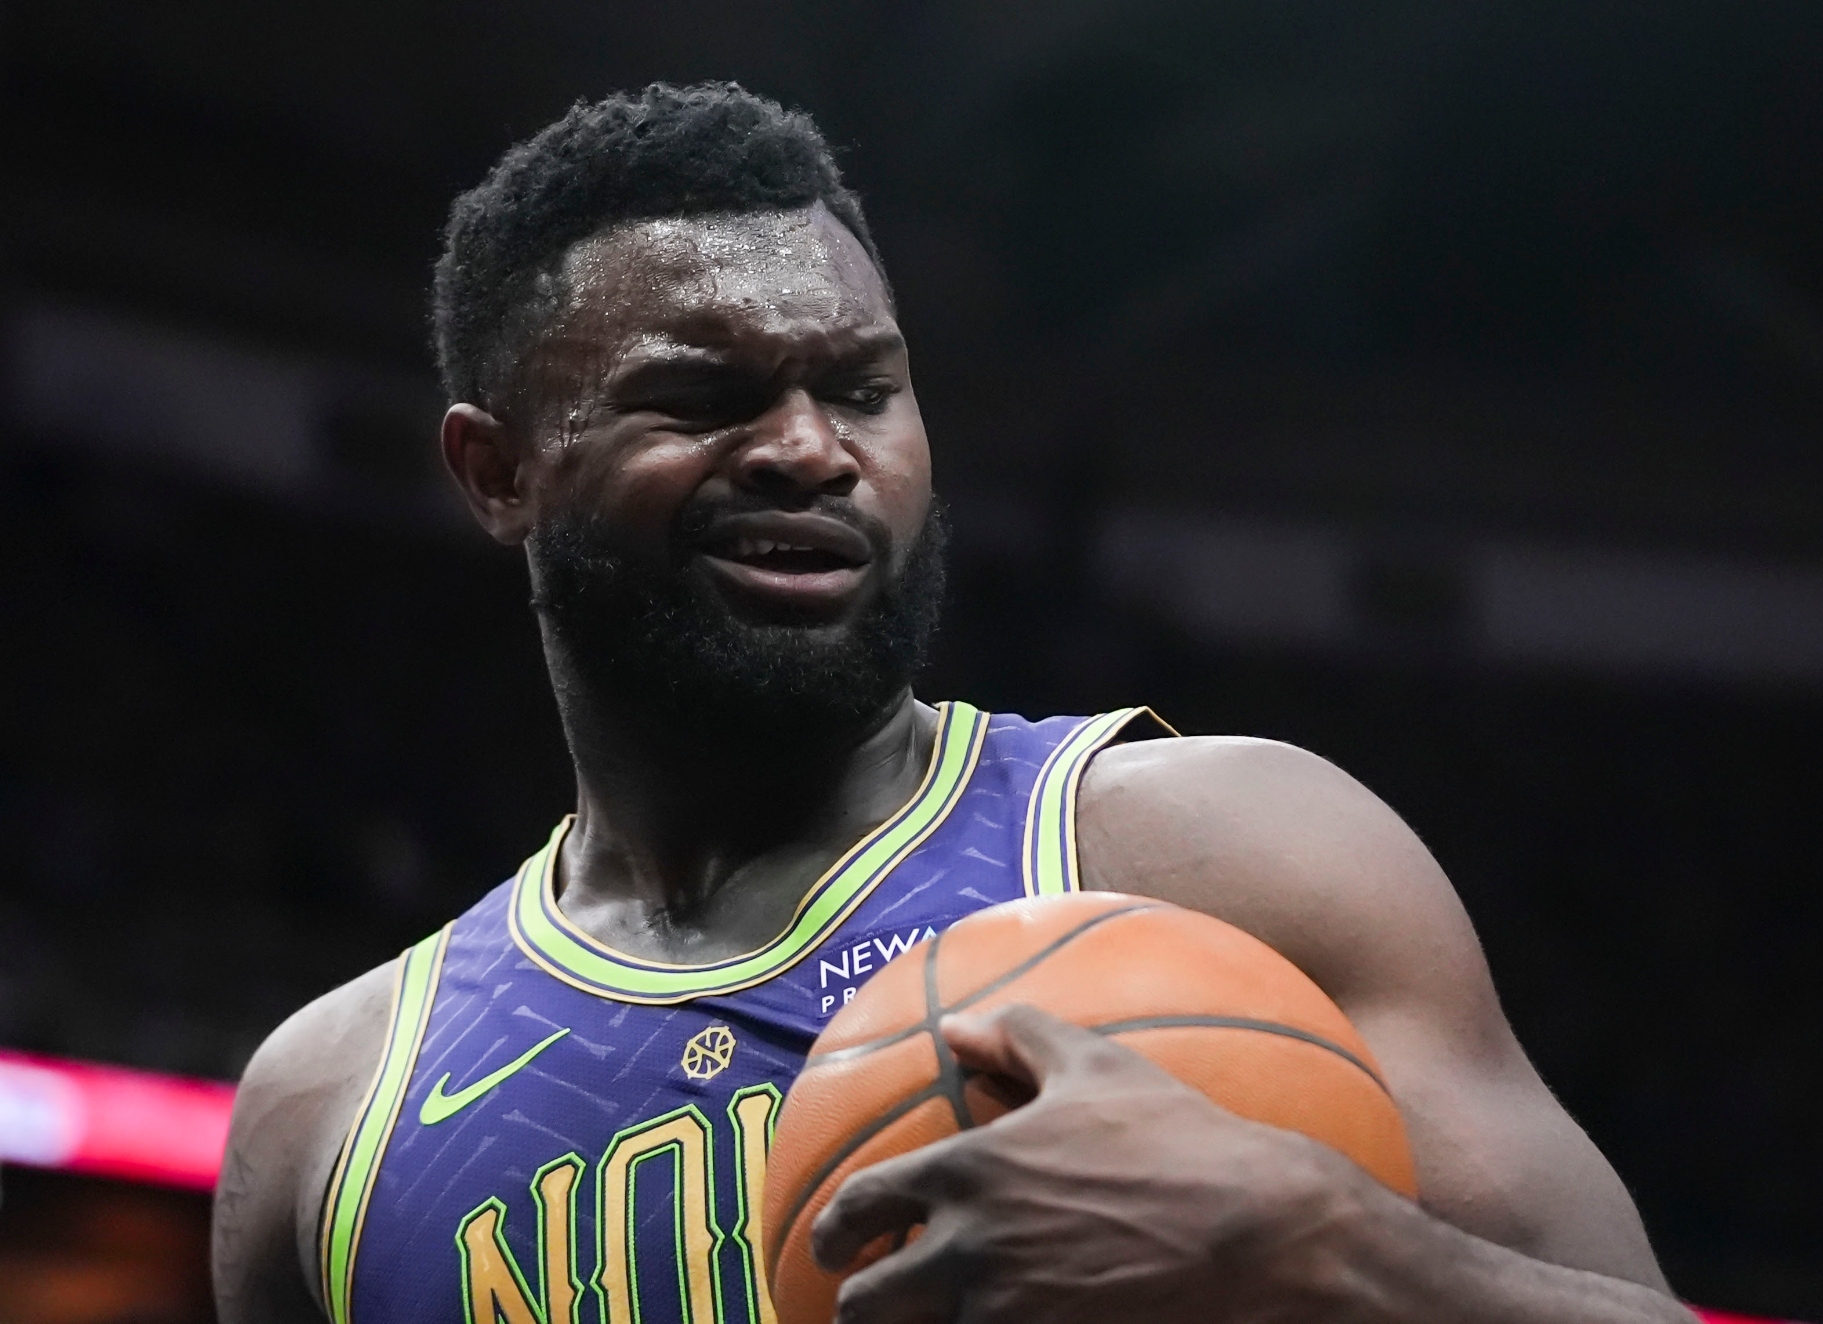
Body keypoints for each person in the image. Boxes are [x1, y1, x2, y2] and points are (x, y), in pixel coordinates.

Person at [213, 81, 1692, 1324]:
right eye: (708, 395)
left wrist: (1329, 1244)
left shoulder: (1221, 856)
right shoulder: (327, 1113)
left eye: (861, 388)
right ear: (498, 472)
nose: (809, 448)